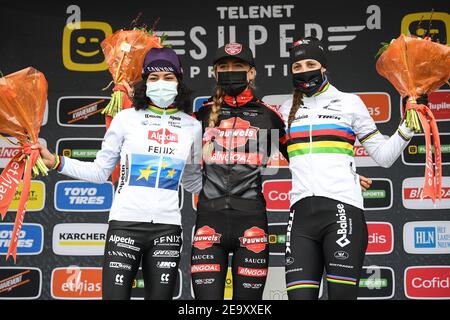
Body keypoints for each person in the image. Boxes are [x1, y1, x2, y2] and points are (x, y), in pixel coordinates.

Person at [35, 48, 202, 300]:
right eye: (154, 78)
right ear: (144, 83)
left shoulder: (192, 126)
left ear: (179, 82)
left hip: (167, 229)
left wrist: (233, 184)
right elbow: (101, 171)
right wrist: (57, 161)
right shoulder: (125, 119)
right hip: (125, 226)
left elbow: (191, 180)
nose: (161, 84)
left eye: (169, 77)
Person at [278, 37, 421, 300]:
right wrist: (347, 171)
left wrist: (407, 128)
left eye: (310, 63)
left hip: (342, 212)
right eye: (297, 66)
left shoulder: (349, 103)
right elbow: (298, 159)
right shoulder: (285, 110)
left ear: (323, 67)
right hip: (300, 217)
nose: (303, 70)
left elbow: (383, 156)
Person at [191, 42, 288, 300]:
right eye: (224, 67)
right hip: (208, 222)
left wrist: (347, 175)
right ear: (214, 73)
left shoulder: (269, 117)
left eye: (238, 66)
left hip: (252, 222)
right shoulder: (200, 115)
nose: (230, 71)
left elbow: (302, 159)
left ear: (252, 72)